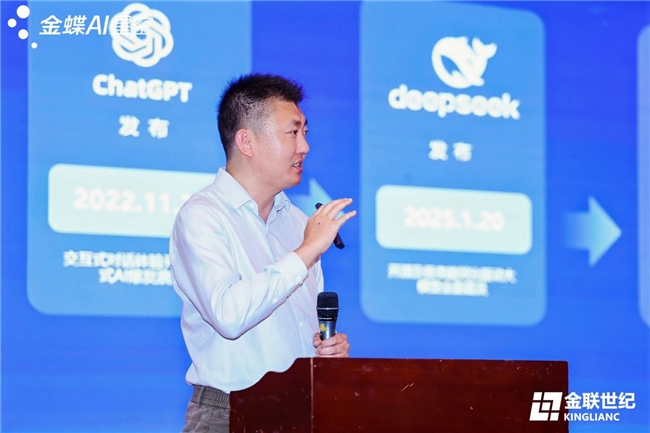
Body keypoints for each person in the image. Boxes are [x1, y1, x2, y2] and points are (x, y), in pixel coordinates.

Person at [169, 73, 356, 433]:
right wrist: (307, 250)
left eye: (305, 132)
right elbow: (228, 314)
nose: (305, 147)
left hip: (301, 412)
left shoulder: (298, 223)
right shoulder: (203, 215)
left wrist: (326, 352)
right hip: (228, 413)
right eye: (292, 133)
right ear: (247, 141)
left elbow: (300, 329)